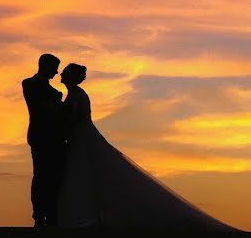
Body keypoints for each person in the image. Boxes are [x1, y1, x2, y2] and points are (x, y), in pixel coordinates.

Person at [56, 63, 235, 231]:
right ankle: (84, 216)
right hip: (79, 138)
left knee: (82, 173)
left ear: (71, 77)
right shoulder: (74, 94)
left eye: (65, 72)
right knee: (83, 174)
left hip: (82, 138)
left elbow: (74, 118)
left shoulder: (77, 95)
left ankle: (83, 217)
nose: (61, 74)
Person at [22, 53, 65, 227]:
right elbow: (42, 106)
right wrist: (56, 98)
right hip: (40, 137)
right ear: (45, 65)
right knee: (41, 177)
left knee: (55, 177)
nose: (56, 72)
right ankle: (39, 216)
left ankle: (53, 214)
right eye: (55, 68)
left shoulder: (51, 90)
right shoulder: (29, 83)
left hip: (57, 138)